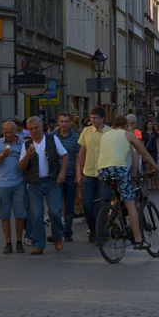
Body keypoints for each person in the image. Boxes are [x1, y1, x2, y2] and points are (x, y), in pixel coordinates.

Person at [96, 114, 159, 250]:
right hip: (119, 169)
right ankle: (138, 240)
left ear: (113, 126)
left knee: (116, 195)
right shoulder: (128, 135)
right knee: (130, 203)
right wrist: (156, 167)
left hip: (102, 171)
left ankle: (111, 218)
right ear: (126, 126)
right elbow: (144, 153)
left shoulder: (105, 135)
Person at [18, 116, 68, 255]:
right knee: (37, 213)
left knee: (54, 212)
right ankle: (38, 244)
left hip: (52, 181)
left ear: (41, 127)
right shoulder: (27, 145)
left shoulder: (52, 139)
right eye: (31, 129)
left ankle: (58, 236)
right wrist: (28, 155)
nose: (34, 131)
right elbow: (21, 166)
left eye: (36, 128)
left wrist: (62, 173)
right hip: (35, 183)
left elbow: (64, 155)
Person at [76, 107, 113, 243]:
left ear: (103, 118)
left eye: (95, 118)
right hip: (89, 171)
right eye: (91, 117)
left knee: (102, 202)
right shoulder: (86, 132)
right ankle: (93, 229)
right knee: (87, 204)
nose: (92, 120)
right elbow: (82, 152)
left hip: (104, 172)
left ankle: (101, 233)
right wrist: (79, 173)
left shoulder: (110, 133)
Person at [0, 121, 27, 254]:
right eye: (6, 132)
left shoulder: (22, 143)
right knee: (4, 215)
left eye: (11, 132)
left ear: (15, 131)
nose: (8, 135)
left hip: (18, 182)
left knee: (20, 214)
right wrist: (2, 155)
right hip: (2, 183)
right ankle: (8, 243)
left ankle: (19, 241)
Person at [50, 113, 80, 242]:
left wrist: (79, 174)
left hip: (70, 174)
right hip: (54, 175)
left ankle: (67, 231)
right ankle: (56, 232)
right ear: (58, 122)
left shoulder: (76, 137)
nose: (64, 124)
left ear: (70, 123)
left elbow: (78, 157)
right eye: (61, 121)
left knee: (68, 206)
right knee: (55, 206)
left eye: (66, 121)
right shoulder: (51, 137)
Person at [142, 120, 159, 188]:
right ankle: (149, 184)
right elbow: (142, 143)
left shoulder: (155, 134)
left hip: (153, 151)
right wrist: (143, 152)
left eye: (151, 124)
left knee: (153, 168)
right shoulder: (143, 134)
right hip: (147, 152)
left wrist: (158, 152)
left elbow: (157, 143)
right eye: (149, 124)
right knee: (147, 168)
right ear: (146, 125)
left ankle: (153, 183)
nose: (150, 126)